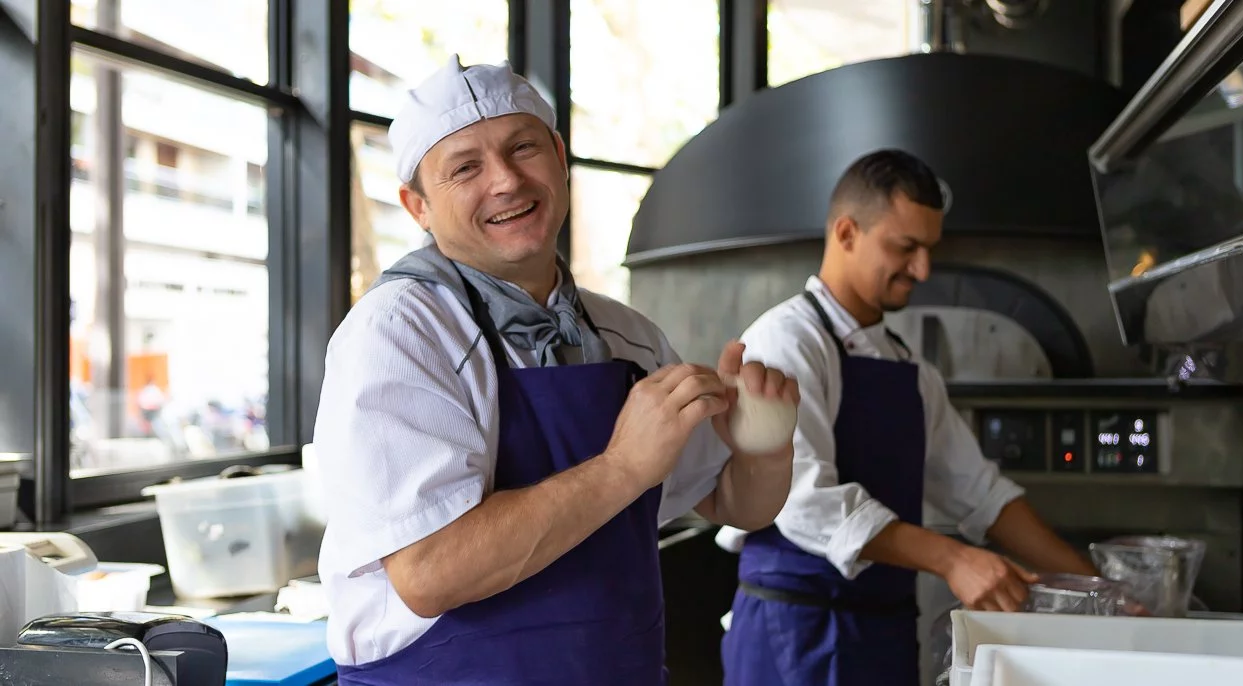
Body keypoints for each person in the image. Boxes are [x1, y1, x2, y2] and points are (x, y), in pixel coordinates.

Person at [312, 56, 800, 685]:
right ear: (417, 206)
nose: (507, 181)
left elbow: (734, 502)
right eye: (465, 167)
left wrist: (765, 446)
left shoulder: (626, 336)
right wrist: (624, 466)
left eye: (523, 148)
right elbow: (430, 571)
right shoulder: (400, 333)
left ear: (559, 156)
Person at [717, 149, 1098, 685]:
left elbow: (982, 494)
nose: (923, 269)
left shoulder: (911, 369)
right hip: (794, 635)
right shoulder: (786, 342)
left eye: (929, 249)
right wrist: (954, 560)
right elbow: (802, 501)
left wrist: (1098, 590)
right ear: (846, 232)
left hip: (882, 637)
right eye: (906, 247)